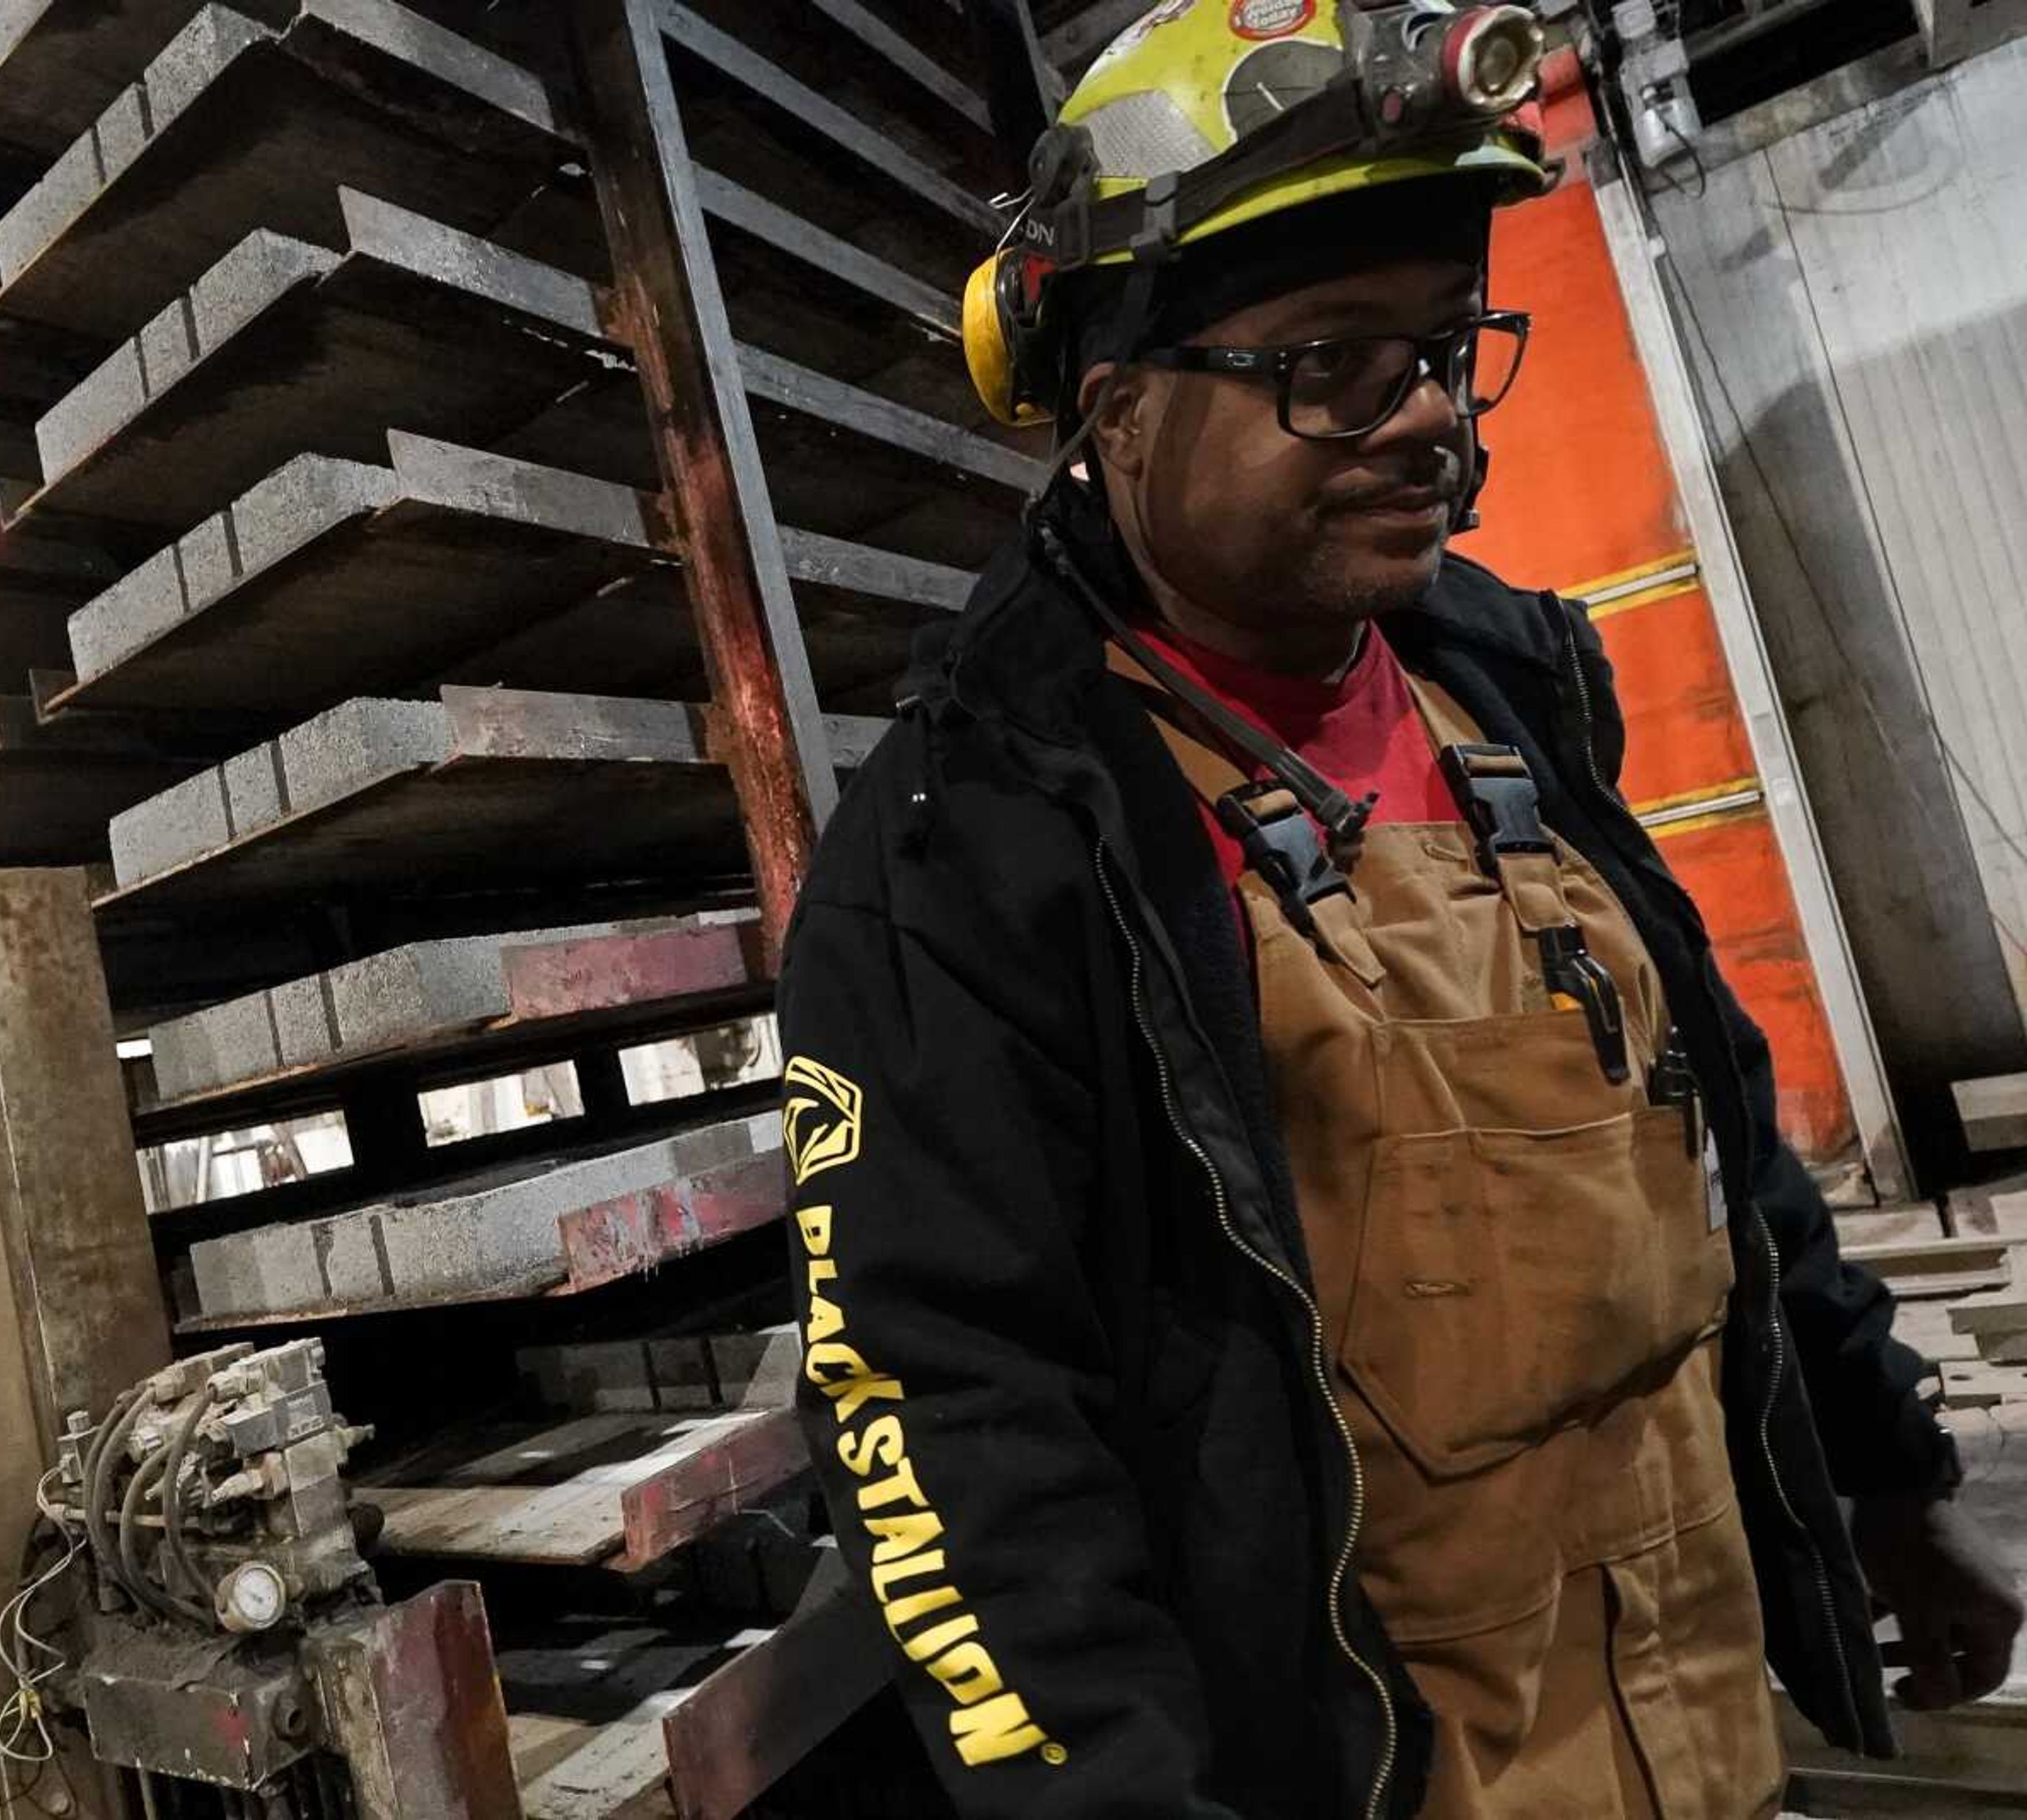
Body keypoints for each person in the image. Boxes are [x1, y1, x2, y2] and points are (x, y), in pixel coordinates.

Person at [775, 4, 2022, 1816]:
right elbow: (948, 1429)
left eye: (1444, 346)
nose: (1428, 413)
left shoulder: (1512, 683)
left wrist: (1891, 1480)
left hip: (1708, 1732)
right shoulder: (976, 845)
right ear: (1118, 410)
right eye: (1331, 367)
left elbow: (1719, 1134)